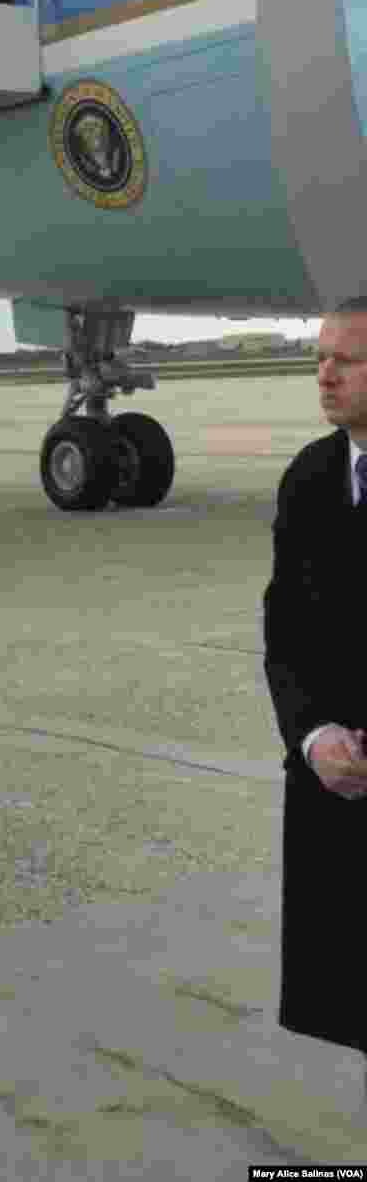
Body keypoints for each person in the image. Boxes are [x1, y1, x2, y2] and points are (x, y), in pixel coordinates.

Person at [262, 296, 367, 1081]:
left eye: (346, 360)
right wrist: (311, 734)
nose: (324, 374)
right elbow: (286, 634)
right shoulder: (310, 476)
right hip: (337, 788)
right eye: (320, 358)